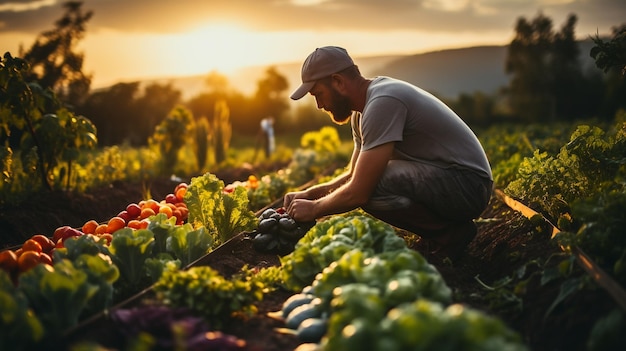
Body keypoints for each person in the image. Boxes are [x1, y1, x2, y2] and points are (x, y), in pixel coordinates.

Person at [283, 46, 493, 261]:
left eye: (318, 94)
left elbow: (359, 190)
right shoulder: (361, 113)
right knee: (367, 179)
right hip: (453, 180)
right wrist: (310, 194)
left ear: (338, 82)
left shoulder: (383, 102)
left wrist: (316, 209)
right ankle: (442, 233)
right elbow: (353, 175)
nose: (319, 105)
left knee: (372, 184)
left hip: (469, 185)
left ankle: (450, 235)